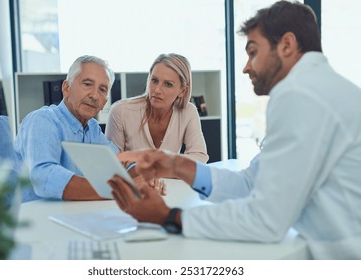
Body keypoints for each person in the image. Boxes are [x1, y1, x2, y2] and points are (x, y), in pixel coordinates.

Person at [108, 1, 361, 259]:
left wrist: (168, 216)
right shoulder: (329, 90)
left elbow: (265, 220)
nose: (246, 67)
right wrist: (176, 165)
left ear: (286, 45)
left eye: (253, 52)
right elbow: (251, 183)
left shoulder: (298, 94)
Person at [14, 55, 162, 201]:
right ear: (66, 88)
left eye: (102, 89)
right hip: (36, 217)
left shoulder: (92, 128)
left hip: (72, 214)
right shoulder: (42, 120)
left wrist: (144, 176)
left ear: (105, 102)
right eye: (87, 84)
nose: (94, 95)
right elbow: (44, 177)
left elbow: (119, 163)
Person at [105, 53, 209, 163]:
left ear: (182, 91)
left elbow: (200, 156)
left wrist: (160, 162)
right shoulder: (120, 111)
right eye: (154, 80)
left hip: (168, 181)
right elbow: (112, 162)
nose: (157, 90)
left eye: (168, 84)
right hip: (132, 180)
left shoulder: (188, 112)